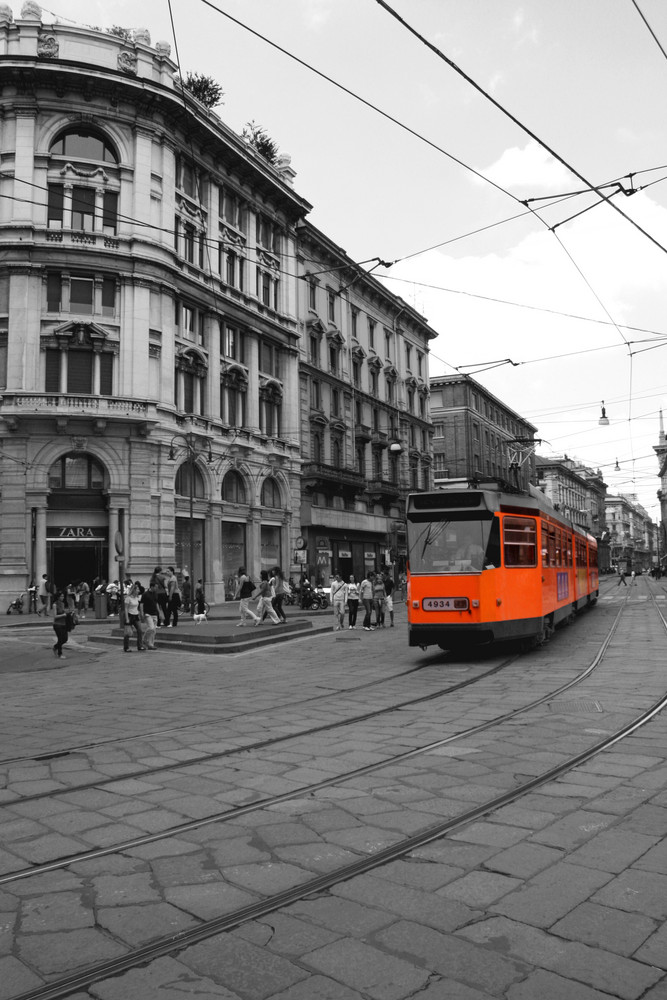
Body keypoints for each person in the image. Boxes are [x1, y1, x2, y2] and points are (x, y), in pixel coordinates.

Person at [123, 582, 145, 652]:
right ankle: (126, 647)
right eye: (137, 589)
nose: (138, 591)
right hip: (129, 615)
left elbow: (137, 607)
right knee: (128, 632)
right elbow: (126, 608)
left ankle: (140, 646)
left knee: (140, 630)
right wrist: (126, 619)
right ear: (134, 590)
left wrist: (139, 614)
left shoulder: (137, 598)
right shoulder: (128, 598)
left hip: (136, 615)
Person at [139, 581, 159, 650]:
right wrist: (142, 613)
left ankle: (151, 644)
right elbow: (141, 604)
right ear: (152, 587)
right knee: (151, 628)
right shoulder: (145, 594)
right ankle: (144, 639)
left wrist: (159, 612)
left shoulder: (155, 594)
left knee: (154, 630)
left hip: (154, 613)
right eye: (156, 587)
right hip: (147, 613)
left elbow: (156, 603)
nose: (157, 588)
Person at [52, 592, 69, 659]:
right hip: (57, 624)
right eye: (61, 596)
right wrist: (63, 615)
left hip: (63, 623)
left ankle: (55, 647)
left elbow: (63, 611)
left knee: (65, 639)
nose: (63, 597)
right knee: (60, 638)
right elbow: (55, 616)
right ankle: (60, 653)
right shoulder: (54, 605)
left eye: (63, 596)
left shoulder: (63, 604)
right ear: (58, 597)